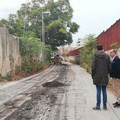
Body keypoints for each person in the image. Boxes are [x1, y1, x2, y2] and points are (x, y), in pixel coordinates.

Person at [92, 44, 110, 110]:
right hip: (105, 76)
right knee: (104, 91)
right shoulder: (107, 56)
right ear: (102, 48)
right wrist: (107, 73)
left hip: (97, 76)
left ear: (97, 49)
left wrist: (93, 75)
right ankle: (105, 106)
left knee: (98, 90)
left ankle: (98, 106)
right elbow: (109, 67)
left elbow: (93, 67)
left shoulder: (95, 56)